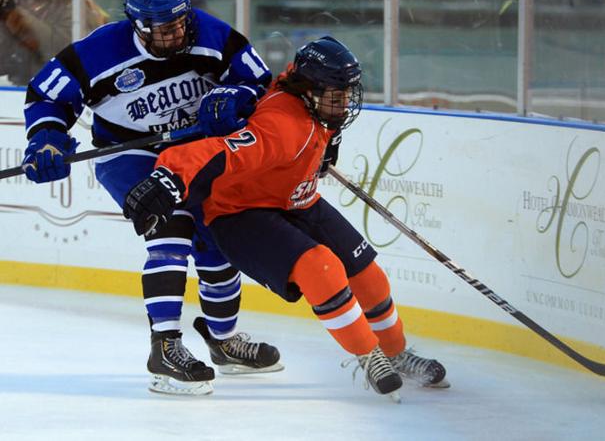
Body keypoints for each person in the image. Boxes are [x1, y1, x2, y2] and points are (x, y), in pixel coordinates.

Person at [121, 36, 449, 399]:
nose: (343, 103)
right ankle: (368, 354)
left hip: (297, 200)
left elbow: (289, 77)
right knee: (320, 268)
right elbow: (222, 153)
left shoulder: (315, 98)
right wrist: (170, 175)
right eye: (335, 95)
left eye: (347, 93)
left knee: (368, 276)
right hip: (241, 214)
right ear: (309, 91)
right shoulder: (283, 125)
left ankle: (395, 351)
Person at [20, 0, 282, 396]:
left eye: (181, 21)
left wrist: (237, 99)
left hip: (196, 150)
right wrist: (47, 138)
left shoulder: (213, 34)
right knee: (171, 220)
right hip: (128, 153)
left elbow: (258, 83)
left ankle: (223, 340)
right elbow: (47, 94)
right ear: (136, 24)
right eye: (165, 27)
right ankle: (165, 347)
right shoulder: (100, 50)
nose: (177, 32)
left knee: (218, 231)